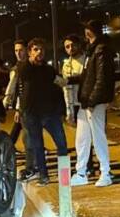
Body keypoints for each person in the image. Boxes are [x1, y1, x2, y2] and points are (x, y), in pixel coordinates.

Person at [16, 38, 68, 184]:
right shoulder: (24, 68)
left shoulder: (48, 69)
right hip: (32, 114)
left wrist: (62, 110)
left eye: (42, 50)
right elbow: (24, 75)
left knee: (62, 144)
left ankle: (64, 176)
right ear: (30, 52)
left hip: (50, 113)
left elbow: (58, 88)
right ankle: (44, 176)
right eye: (36, 49)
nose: (39, 52)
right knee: (38, 146)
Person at [72, 27, 114, 186]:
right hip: (86, 101)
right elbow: (87, 76)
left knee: (98, 136)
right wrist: (69, 81)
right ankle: (81, 172)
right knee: (82, 138)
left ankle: (105, 172)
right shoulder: (92, 51)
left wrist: (92, 100)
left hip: (93, 102)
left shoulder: (100, 51)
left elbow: (101, 78)